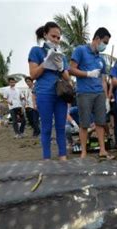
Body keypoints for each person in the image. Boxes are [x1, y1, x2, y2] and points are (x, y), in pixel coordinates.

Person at [29, 21, 71, 160]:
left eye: (58, 38)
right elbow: (33, 75)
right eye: (53, 36)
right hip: (44, 93)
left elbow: (67, 78)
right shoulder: (36, 51)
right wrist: (45, 63)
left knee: (61, 127)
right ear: (45, 35)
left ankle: (62, 156)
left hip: (60, 94)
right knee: (46, 127)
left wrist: (60, 67)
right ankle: (46, 158)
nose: (56, 40)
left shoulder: (61, 55)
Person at [69, 27, 114, 159]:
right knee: (84, 124)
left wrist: (106, 98)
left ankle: (102, 150)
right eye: (104, 42)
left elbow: (104, 80)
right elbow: (71, 69)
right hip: (84, 93)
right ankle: (83, 151)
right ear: (97, 38)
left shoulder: (101, 59)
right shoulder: (80, 50)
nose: (104, 45)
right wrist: (87, 74)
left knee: (100, 123)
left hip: (99, 93)